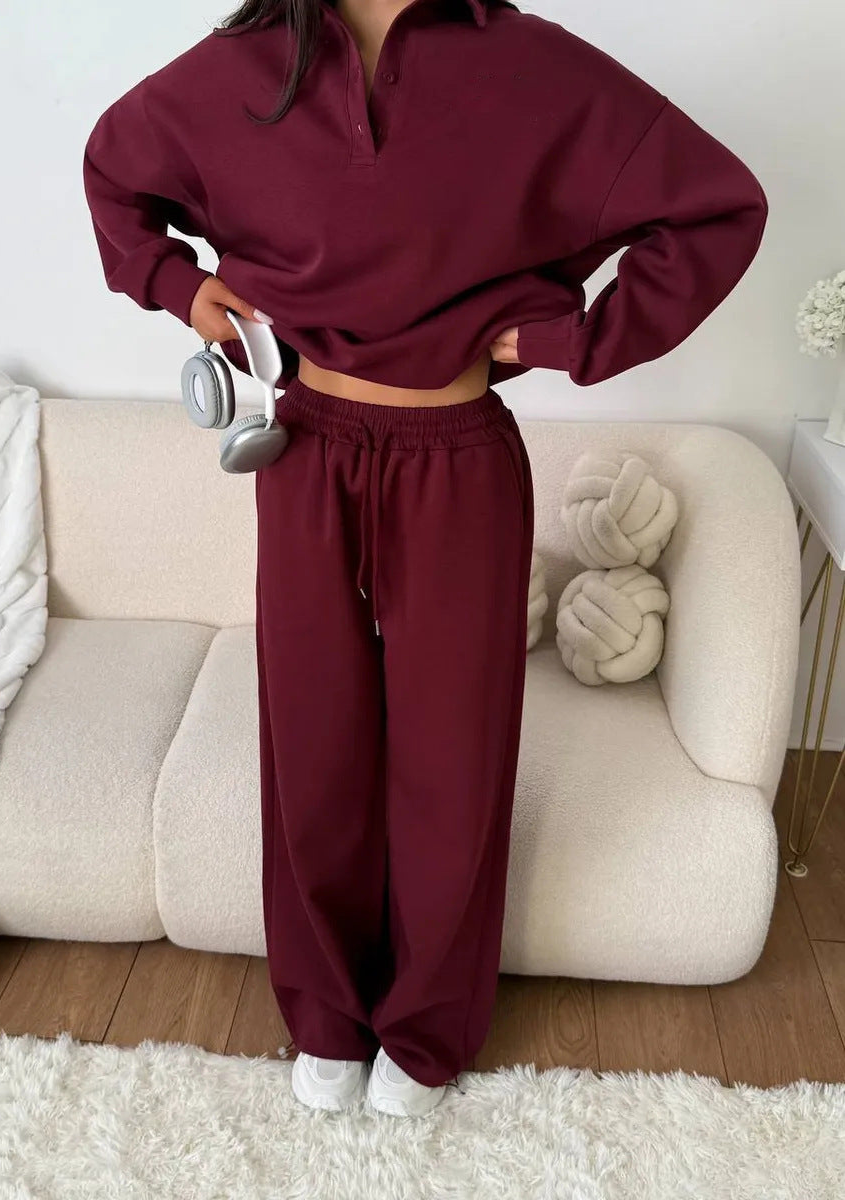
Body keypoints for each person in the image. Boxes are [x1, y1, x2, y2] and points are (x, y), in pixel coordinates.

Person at [82, 0, 768, 1118]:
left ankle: (427, 1029)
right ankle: (325, 1015)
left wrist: (576, 339)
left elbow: (718, 206)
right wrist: (175, 285)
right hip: (306, 449)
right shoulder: (248, 64)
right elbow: (116, 171)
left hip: (458, 459)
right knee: (314, 741)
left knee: (453, 755)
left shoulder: (530, 65)